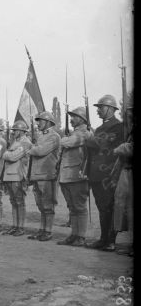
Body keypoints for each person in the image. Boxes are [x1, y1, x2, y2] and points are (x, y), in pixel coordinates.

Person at [85, 95, 124, 252]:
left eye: (100, 107)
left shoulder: (118, 127)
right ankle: (103, 239)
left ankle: (110, 241)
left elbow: (102, 143)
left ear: (110, 108)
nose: (98, 111)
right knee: (102, 207)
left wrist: (88, 138)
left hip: (109, 174)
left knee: (109, 207)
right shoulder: (100, 129)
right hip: (96, 174)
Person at [57, 106, 92, 247]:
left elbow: (69, 142)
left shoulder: (84, 132)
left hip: (78, 175)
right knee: (72, 207)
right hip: (67, 175)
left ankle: (81, 236)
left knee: (79, 206)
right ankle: (74, 234)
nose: (71, 119)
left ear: (82, 119)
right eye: (71, 116)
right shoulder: (74, 133)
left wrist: (63, 139)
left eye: (74, 116)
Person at [27, 111, 61, 241]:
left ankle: (48, 231)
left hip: (47, 175)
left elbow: (40, 151)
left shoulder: (54, 136)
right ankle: (42, 230)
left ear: (48, 122)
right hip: (37, 175)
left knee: (48, 205)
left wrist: (30, 147)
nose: (38, 123)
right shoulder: (41, 137)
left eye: (40, 120)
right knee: (41, 205)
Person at [1, 120, 31, 236]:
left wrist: (6, 154)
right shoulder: (15, 142)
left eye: (16, 130)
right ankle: (15, 226)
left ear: (22, 131)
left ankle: (21, 227)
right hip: (10, 176)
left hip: (18, 176)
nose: (14, 132)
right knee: (13, 202)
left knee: (19, 202)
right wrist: (7, 155)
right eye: (14, 130)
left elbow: (13, 157)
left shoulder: (25, 142)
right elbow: (10, 155)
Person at [113, 105, 133, 257]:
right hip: (126, 171)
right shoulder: (129, 132)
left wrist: (122, 147)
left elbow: (128, 149)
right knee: (124, 207)